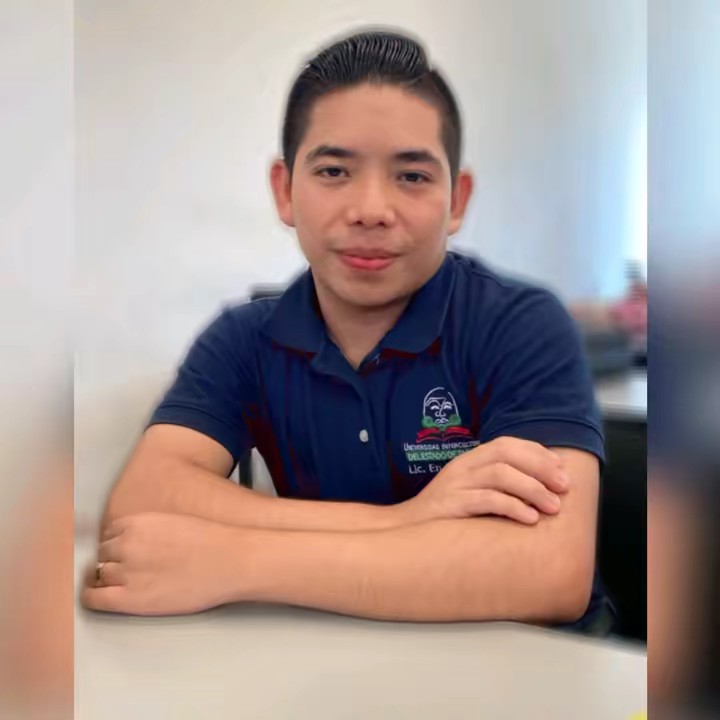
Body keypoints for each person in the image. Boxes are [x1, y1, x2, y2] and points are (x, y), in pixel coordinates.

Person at [82, 29, 608, 630]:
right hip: (331, 652)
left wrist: (238, 560)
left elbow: (549, 570)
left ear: (457, 201)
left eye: (412, 177)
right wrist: (408, 519)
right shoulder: (243, 339)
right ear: (285, 191)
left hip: (526, 664)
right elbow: (141, 502)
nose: (371, 210)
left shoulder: (521, 324)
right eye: (334, 170)